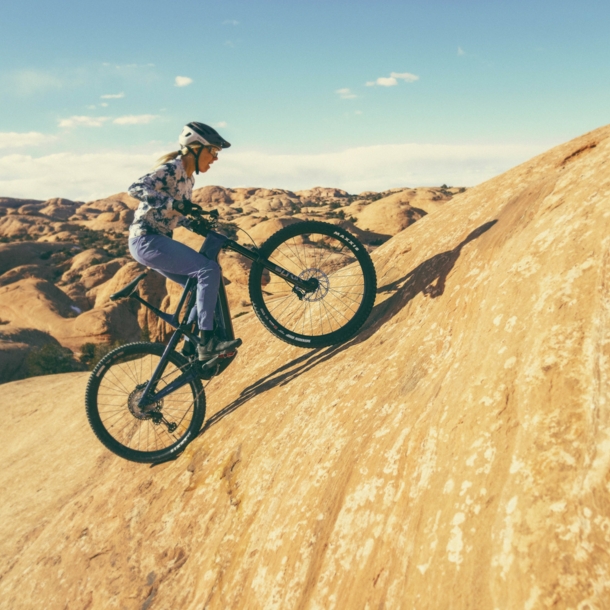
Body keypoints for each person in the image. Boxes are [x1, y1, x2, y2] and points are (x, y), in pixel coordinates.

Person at [127, 121, 241, 361]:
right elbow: (136, 188)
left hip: (155, 240)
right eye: (213, 151)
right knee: (208, 270)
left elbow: (173, 215)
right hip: (146, 240)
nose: (215, 158)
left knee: (199, 283)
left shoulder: (189, 179)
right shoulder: (172, 169)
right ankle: (207, 340)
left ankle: (190, 346)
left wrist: (194, 222)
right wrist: (174, 204)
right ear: (196, 148)